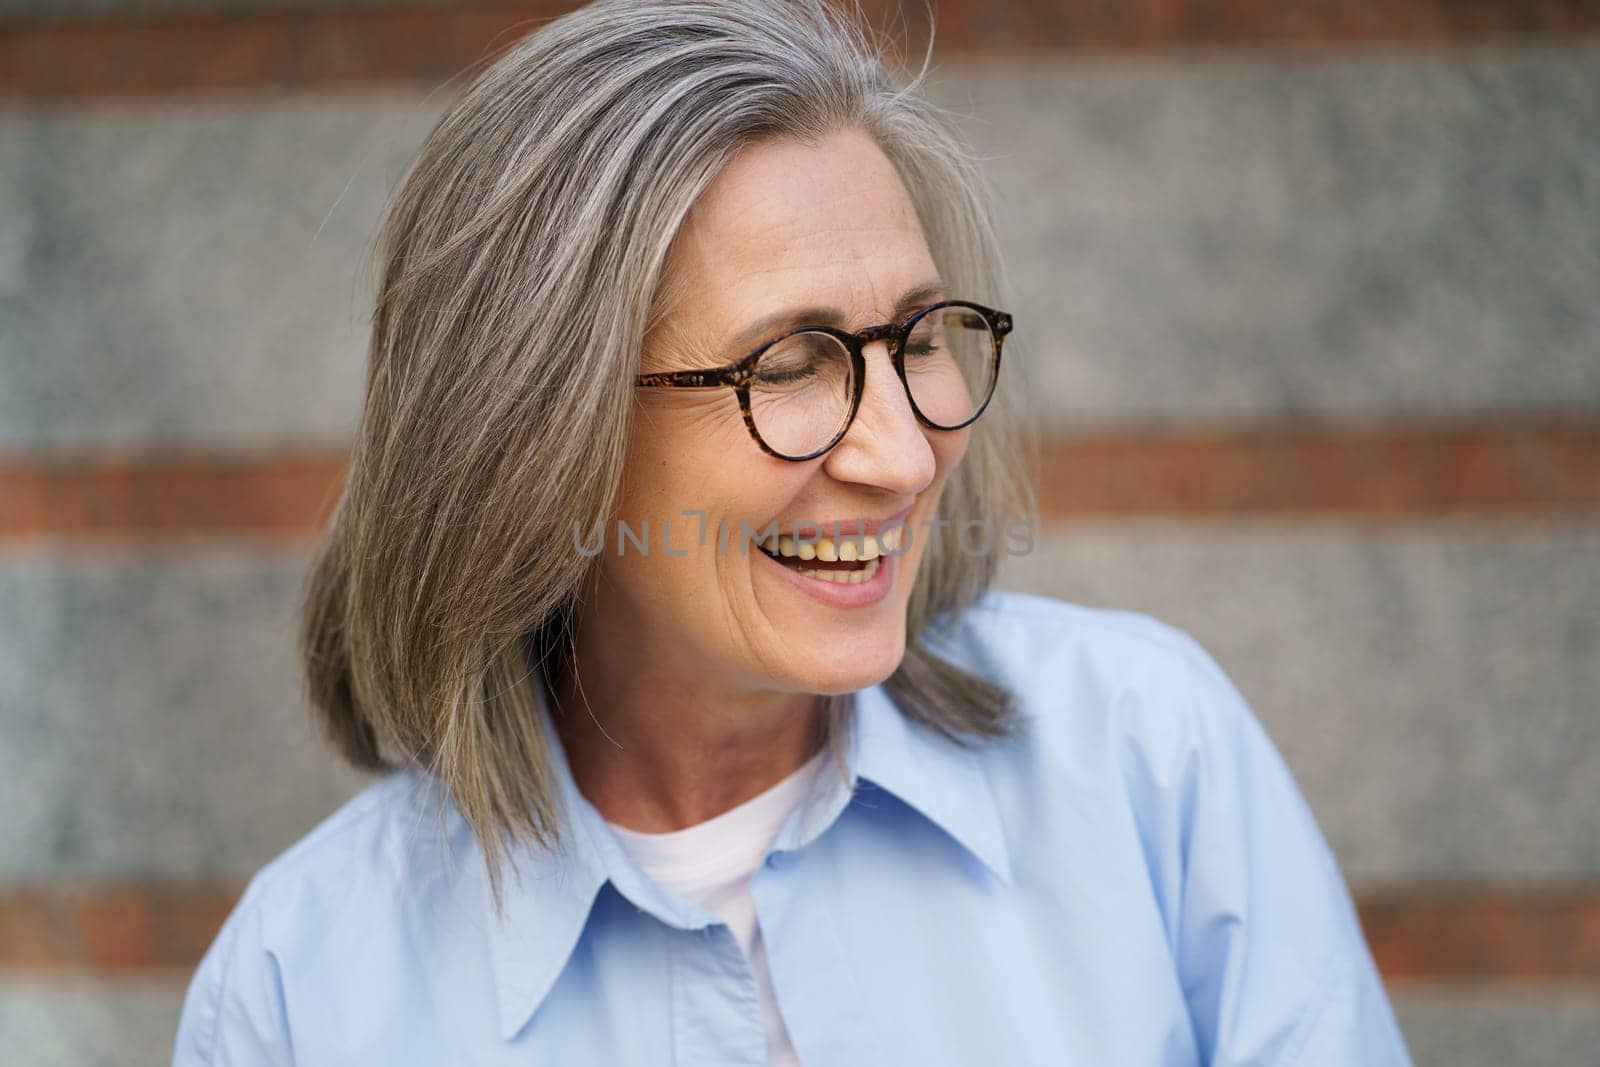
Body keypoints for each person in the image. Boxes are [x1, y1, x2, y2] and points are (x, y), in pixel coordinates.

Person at [171, 1, 1414, 1063]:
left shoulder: (1149, 760)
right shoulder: (298, 989)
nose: (905, 454)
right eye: (792, 364)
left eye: (921, 337)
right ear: (537, 432)